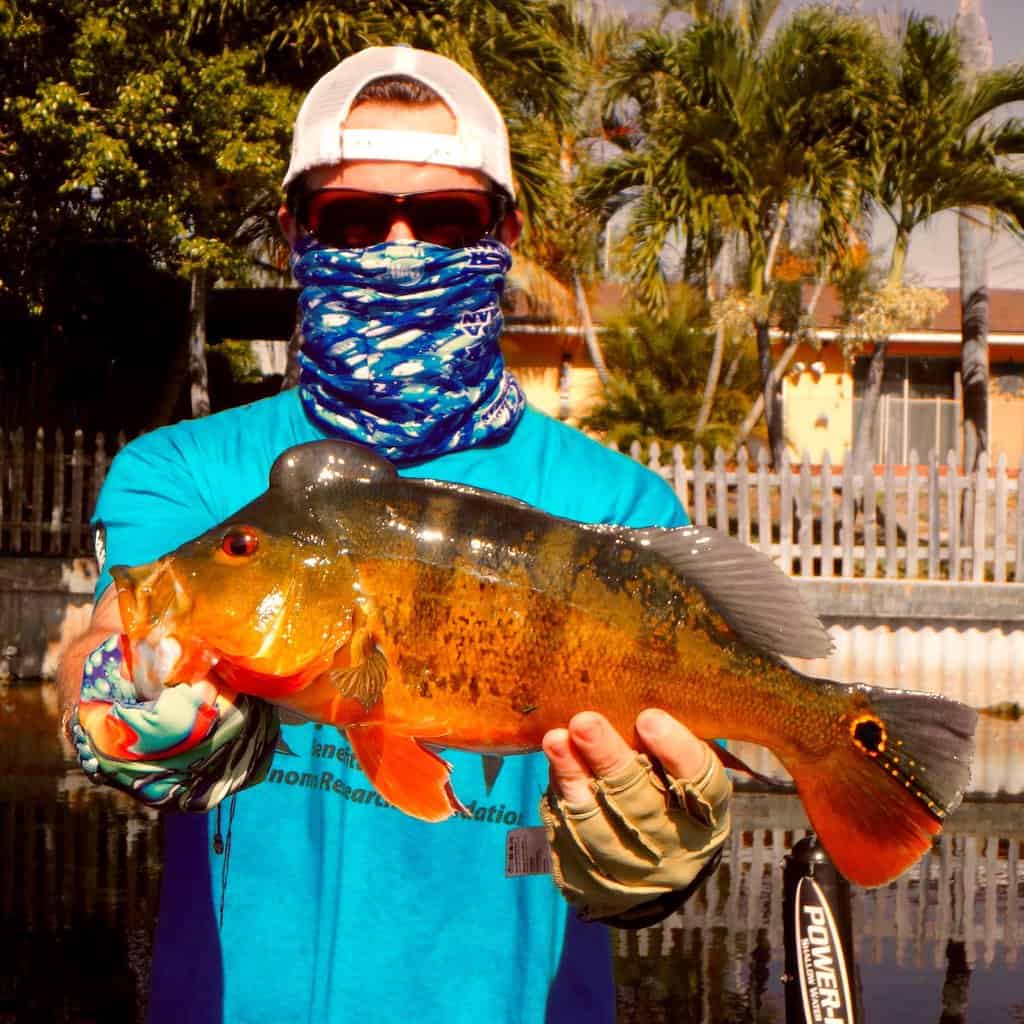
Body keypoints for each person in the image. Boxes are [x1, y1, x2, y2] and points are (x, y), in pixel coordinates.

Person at [58, 46, 731, 1024]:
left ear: (504, 232)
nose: (398, 245)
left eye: (446, 219)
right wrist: (110, 697)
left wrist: (654, 863)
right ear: (295, 231)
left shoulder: (614, 507)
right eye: (355, 218)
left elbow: (664, 783)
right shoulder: (185, 473)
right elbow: (123, 625)